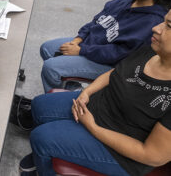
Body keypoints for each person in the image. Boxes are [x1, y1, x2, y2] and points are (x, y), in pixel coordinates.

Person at [20, 11, 171, 176]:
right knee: (39, 105)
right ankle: (44, 154)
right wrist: (88, 92)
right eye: (163, 21)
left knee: (41, 138)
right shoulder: (153, 50)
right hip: (100, 107)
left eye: (168, 26)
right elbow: (115, 73)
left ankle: (45, 157)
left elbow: (151, 156)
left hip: (122, 150)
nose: (156, 28)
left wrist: (92, 127)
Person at [40, 0, 171, 93]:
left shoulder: (151, 22)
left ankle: (58, 101)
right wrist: (78, 39)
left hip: (108, 64)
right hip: (89, 46)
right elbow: (95, 22)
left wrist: (81, 50)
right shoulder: (123, 2)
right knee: (47, 48)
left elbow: (118, 53)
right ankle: (72, 88)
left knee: (51, 68)